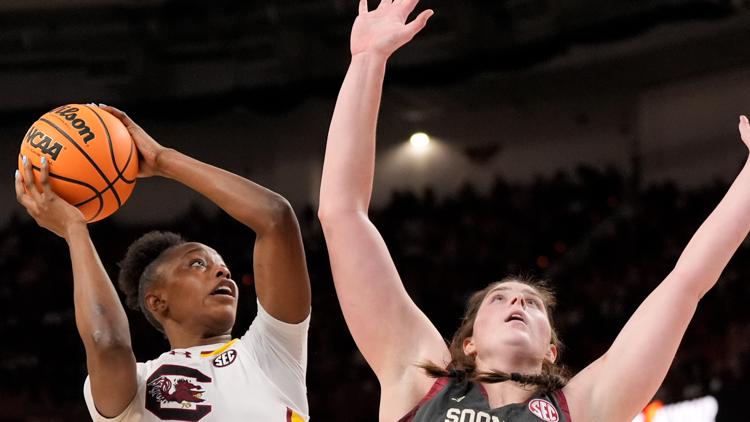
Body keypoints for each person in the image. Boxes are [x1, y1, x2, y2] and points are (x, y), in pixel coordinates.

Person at [317, 1, 750, 421]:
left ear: (551, 351)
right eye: (499, 298)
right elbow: (342, 215)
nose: (518, 301)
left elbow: (686, 284)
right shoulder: (417, 379)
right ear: (467, 344)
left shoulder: (582, 407)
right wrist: (367, 61)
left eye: (532, 303)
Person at [15, 105, 311, 421]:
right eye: (198, 264)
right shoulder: (141, 385)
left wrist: (162, 160)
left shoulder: (272, 351)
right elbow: (107, 342)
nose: (222, 270)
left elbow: (275, 218)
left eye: (220, 265)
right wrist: (74, 229)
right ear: (157, 301)